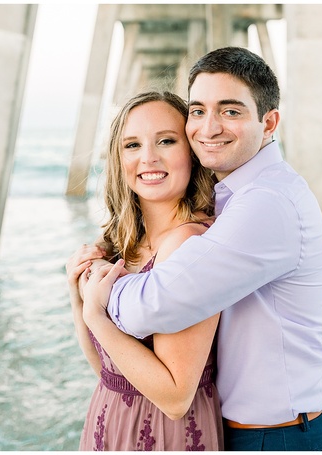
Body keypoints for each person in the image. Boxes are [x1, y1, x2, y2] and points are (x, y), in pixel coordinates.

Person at [83, 47, 322, 451]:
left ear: (269, 122)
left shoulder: (265, 203)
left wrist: (97, 291)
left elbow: (154, 305)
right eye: (198, 111)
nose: (208, 127)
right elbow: (112, 371)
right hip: (246, 429)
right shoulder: (229, 198)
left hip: (276, 436)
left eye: (231, 111)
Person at [65, 91, 223, 450]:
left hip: (167, 434)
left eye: (166, 141)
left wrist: (96, 315)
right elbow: (108, 372)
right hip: (110, 420)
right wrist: (78, 300)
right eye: (132, 145)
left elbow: (175, 397)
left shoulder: (188, 245)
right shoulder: (125, 245)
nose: (148, 157)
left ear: (192, 153)